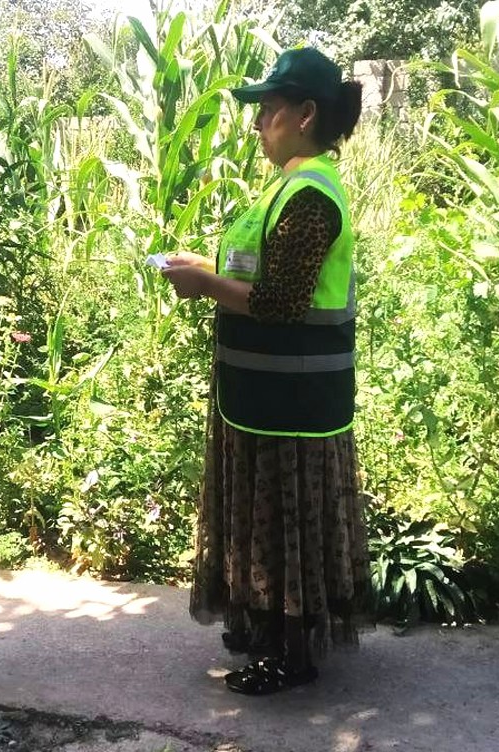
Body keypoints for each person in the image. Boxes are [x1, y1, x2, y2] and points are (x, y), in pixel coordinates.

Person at [162, 47, 370, 695]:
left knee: (286, 523)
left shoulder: (311, 195)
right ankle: (266, 627)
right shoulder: (284, 188)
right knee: (264, 520)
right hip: (263, 396)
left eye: (270, 112)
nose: (258, 125)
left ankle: (293, 653)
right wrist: (207, 267)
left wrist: (202, 285)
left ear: (306, 115)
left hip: (295, 402)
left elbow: (282, 304)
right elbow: (261, 276)